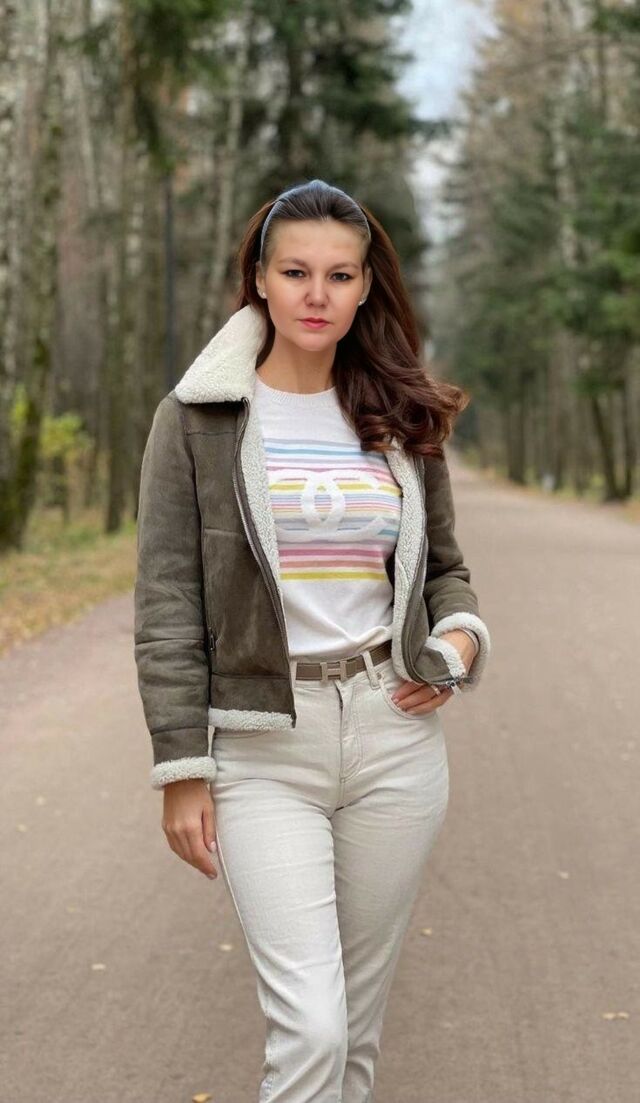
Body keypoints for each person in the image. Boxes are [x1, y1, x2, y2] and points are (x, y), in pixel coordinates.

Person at [134, 178, 491, 1103]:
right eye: (295, 272)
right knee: (313, 1026)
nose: (316, 294)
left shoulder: (400, 416)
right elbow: (167, 602)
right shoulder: (198, 418)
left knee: (356, 1031)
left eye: (339, 274)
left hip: (394, 735)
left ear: (367, 286)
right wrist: (181, 767)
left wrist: (458, 646)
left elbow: (446, 570)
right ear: (259, 278)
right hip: (262, 743)